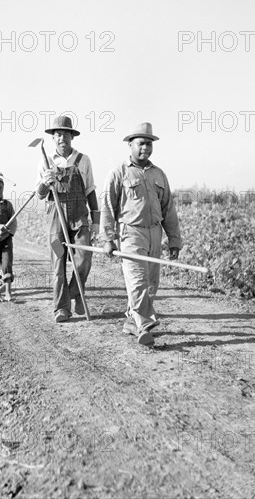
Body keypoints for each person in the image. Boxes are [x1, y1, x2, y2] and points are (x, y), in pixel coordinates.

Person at [101, 122, 182, 346]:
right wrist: (108, 238)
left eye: (148, 144)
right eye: (140, 143)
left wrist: (174, 240)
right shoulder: (118, 173)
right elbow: (107, 206)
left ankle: (131, 321)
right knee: (137, 281)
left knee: (151, 283)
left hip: (155, 233)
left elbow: (168, 209)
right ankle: (144, 326)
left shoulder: (159, 174)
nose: (145, 148)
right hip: (131, 233)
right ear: (130, 145)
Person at [36, 115, 99, 322]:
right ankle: (61, 308)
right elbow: (40, 194)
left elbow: (90, 191)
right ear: (53, 138)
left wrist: (96, 220)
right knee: (58, 263)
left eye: (66, 134)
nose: (62, 138)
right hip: (56, 218)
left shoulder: (83, 160)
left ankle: (76, 293)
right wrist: (45, 183)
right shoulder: (45, 162)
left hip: (80, 217)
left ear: (72, 136)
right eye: (58, 134)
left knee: (84, 259)